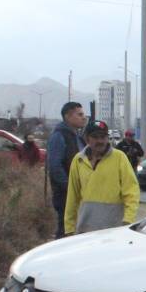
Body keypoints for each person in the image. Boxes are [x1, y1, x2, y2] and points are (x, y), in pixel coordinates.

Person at [63, 120, 140, 235]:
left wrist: (128, 220)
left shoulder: (119, 158)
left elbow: (131, 192)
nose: (100, 141)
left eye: (103, 137)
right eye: (95, 137)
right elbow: (72, 196)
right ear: (87, 138)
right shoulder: (78, 160)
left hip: (114, 229)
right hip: (85, 229)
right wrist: (69, 228)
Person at [46, 102, 87, 239]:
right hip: (65, 195)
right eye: (79, 114)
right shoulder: (59, 136)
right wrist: (70, 187)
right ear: (68, 116)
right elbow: (55, 167)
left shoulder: (78, 137)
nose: (84, 117)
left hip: (80, 194)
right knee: (65, 233)